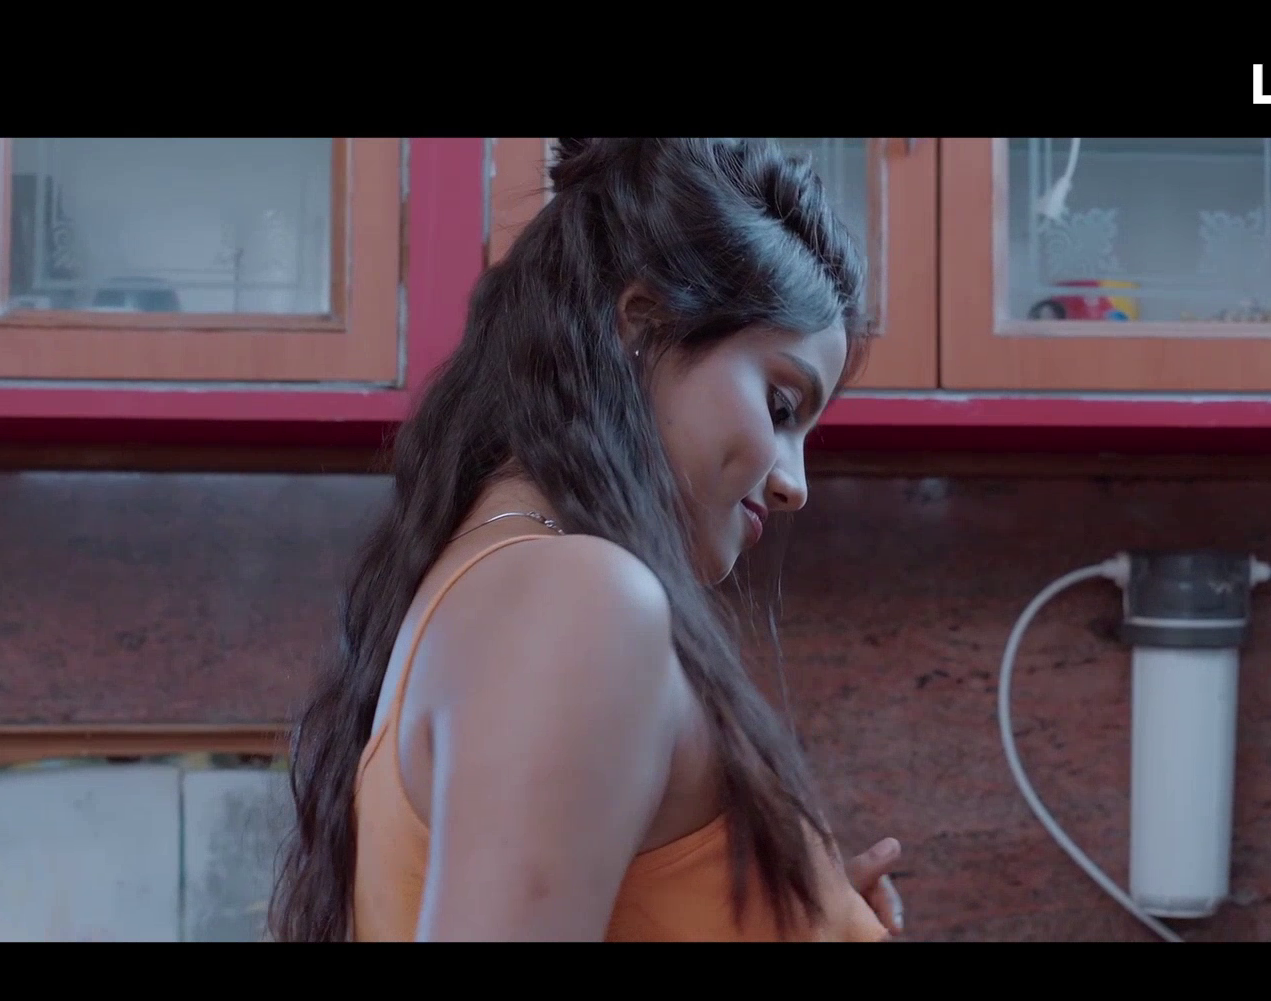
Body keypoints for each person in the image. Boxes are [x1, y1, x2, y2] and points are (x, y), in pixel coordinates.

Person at [268, 138, 905, 942]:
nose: (794, 483)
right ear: (640, 328)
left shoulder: (497, 585)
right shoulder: (581, 598)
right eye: (781, 407)